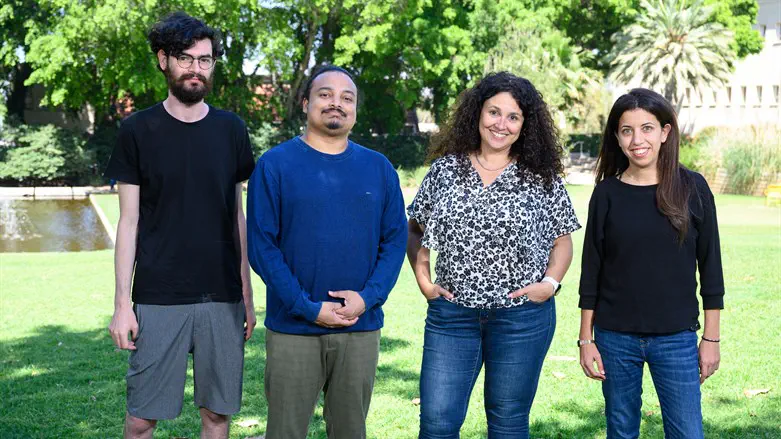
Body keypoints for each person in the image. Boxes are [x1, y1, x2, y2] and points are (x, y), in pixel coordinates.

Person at [104, 12, 256, 439]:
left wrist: (247, 295)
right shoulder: (137, 130)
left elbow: (237, 216)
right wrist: (121, 304)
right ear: (163, 60)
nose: (196, 68)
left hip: (222, 297)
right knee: (140, 421)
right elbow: (128, 222)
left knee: (217, 416)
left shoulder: (231, 129)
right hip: (158, 295)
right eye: (186, 58)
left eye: (205, 60)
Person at [406, 72, 581, 438]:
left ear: (525, 124)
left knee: (507, 423)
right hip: (452, 316)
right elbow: (415, 228)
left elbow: (562, 240)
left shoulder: (541, 177)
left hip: (522, 317)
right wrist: (424, 280)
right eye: (494, 112)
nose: (501, 124)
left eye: (513, 116)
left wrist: (550, 284)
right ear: (478, 113)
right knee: (436, 423)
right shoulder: (446, 170)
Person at [247, 65, 408, 439]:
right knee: (285, 432)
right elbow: (262, 247)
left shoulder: (379, 168)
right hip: (293, 329)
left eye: (346, 98)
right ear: (305, 103)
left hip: (360, 326)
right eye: (325, 94)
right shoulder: (274, 165)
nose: (336, 103)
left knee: (350, 431)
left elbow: (395, 242)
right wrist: (306, 307)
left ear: (355, 110)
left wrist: (367, 298)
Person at [577, 88, 724, 439]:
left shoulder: (693, 188)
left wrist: (711, 338)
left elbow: (711, 268)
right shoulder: (606, 194)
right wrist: (586, 339)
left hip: (676, 337)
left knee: (687, 432)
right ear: (617, 137)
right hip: (615, 338)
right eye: (627, 130)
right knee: (621, 431)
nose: (637, 140)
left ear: (664, 132)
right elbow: (591, 270)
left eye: (647, 128)